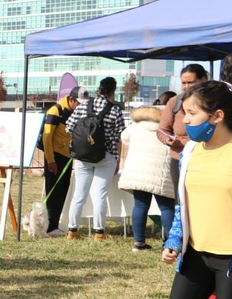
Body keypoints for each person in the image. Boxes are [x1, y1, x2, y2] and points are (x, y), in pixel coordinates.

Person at [162, 81, 232, 299]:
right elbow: (183, 204)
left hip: (230, 259)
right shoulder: (191, 151)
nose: (184, 121)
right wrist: (175, 240)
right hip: (196, 254)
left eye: (192, 114)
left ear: (217, 116)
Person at [64, 77, 125, 242]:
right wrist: (118, 159)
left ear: (98, 89)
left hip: (83, 157)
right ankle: (99, 232)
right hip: (106, 156)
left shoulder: (83, 106)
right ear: (113, 91)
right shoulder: (115, 110)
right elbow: (121, 136)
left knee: (79, 195)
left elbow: (69, 128)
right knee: (100, 195)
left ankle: (72, 230)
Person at [117, 106, 175, 251]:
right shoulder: (168, 126)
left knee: (140, 206)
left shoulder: (136, 125)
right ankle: (171, 245)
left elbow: (124, 138)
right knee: (166, 207)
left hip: (139, 170)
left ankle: (139, 243)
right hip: (161, 172)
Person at [41, 86, 89, 236]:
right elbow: (47, 138)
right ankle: (49, 226)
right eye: (79, 103)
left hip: (67, 157)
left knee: (63, 191)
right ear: (71, 99)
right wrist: (51, 161)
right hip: (54, 157)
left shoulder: (76, 112)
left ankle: (54, 224)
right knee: (53, 191)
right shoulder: (55, 111)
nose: (81, 106)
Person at [157, 64, 208, 197]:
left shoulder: (213, 101)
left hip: (206, 158)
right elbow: (162, 130)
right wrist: (168, 141)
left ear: (203, 80)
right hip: (179, 158)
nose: (186, 87)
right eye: (183, 83)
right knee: (181, 201)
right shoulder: (174, 102)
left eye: (190, 82)